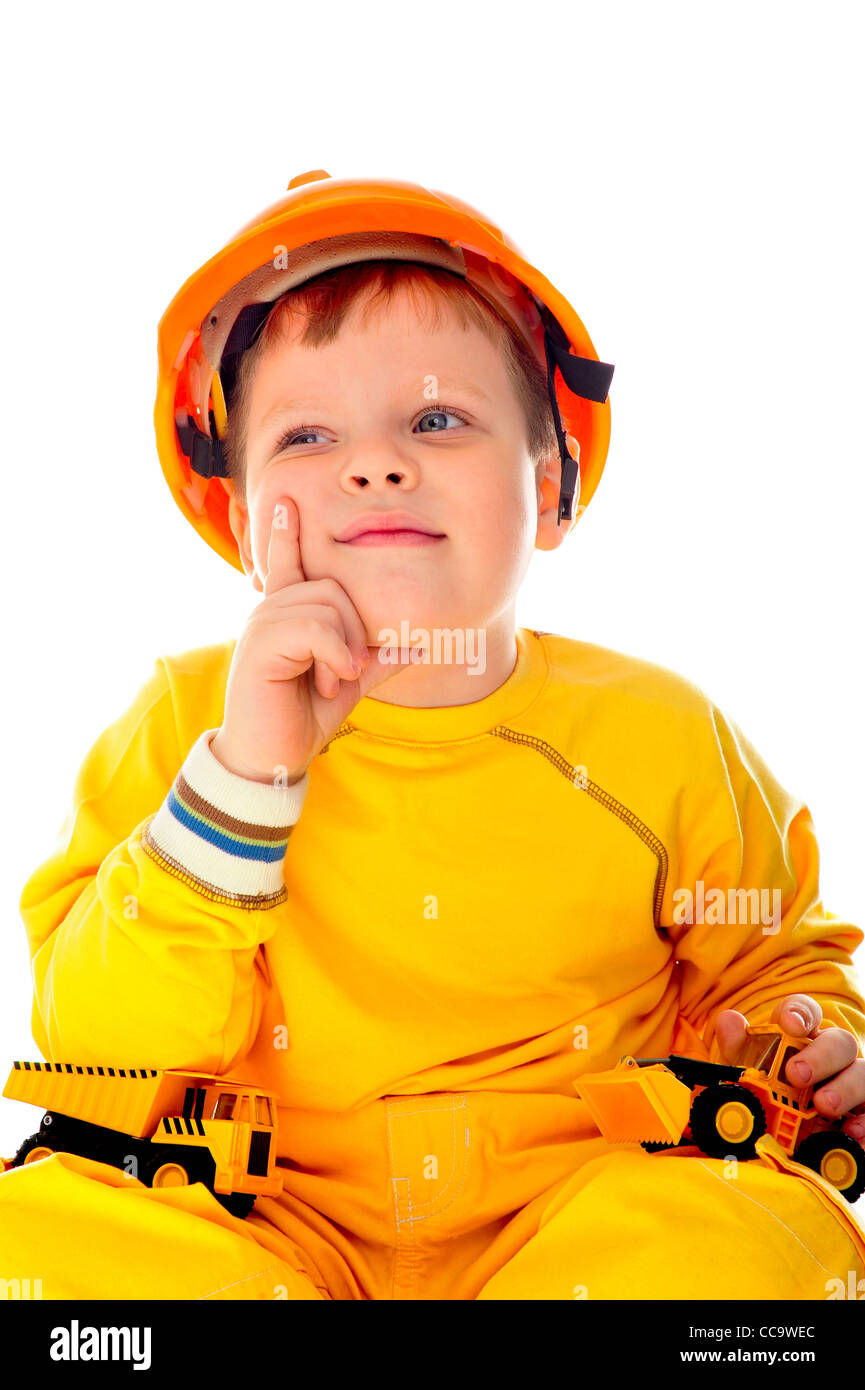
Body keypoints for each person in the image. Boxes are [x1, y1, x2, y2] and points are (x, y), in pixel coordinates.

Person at [1, 171, 863, 1301]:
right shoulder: (182, 724)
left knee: (747, 1250)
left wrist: (810, 1041)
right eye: (308, 435)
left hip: (572, 1224)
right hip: (260, 1227)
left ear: (551, 485)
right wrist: (246, 778)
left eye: (437, 419)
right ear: (239, 516)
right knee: (40, 1256)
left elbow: (775, 961)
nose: (375, 462)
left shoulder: (662, 733)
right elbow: (97, 1052)